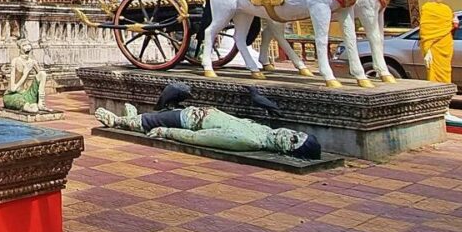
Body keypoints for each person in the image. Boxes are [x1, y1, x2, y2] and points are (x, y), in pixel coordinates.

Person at [94, 103, 322, 159]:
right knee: (155, 115)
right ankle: (130, 118)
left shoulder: (249, 140)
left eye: (294, 140)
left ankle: (120, 122)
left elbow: (199, 138)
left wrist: (167, 133)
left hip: (189, 121)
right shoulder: (262, 130)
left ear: (288, 149)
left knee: (150, 121)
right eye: (297, 133)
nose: (288, 133)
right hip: (195, 113)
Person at [419, 0, 457, 84]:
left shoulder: (447, 9)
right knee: (434, 75)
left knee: (447, 72)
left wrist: (455, 22)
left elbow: (449, 27)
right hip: (435, 48)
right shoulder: (427, 8)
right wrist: (427, 51)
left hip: (446, 46)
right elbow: (426, 33)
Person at [3, 39, 48, 114]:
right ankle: (28, 106)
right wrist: (25, 73)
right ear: (20, 48)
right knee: (32, 109)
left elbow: (41, 79)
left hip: (26, 94)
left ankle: (41, 103)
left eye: (28, 44)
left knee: (42, 74)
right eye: (24, 45)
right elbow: (13, 89)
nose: (27, 47)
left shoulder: (32, 62)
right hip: (13, 95)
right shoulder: (15, 61)